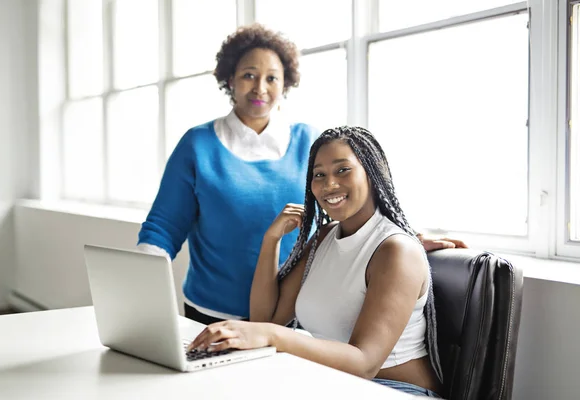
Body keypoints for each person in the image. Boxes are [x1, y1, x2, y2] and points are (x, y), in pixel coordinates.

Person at [138, 23, 466, 326]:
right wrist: (140, 295)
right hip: (210, 313)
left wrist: (405, 236)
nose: (260, 87)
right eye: (249, 75)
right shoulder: (198, 144)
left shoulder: (310, 141)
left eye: (272, 78)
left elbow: (352, 200)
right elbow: (163, 227)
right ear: (230, 80)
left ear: (285, 85)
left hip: (290, 311)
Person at [188, 127, 444, 398]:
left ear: (372, 172)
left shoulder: (395, 251)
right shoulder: (323, 237)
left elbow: (365, 362)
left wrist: (272, 337)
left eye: (342, 170)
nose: (329, 184)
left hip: (397, 390)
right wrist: (270, 241)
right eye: (319, 175)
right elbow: (266, 319)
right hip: (335, 383)